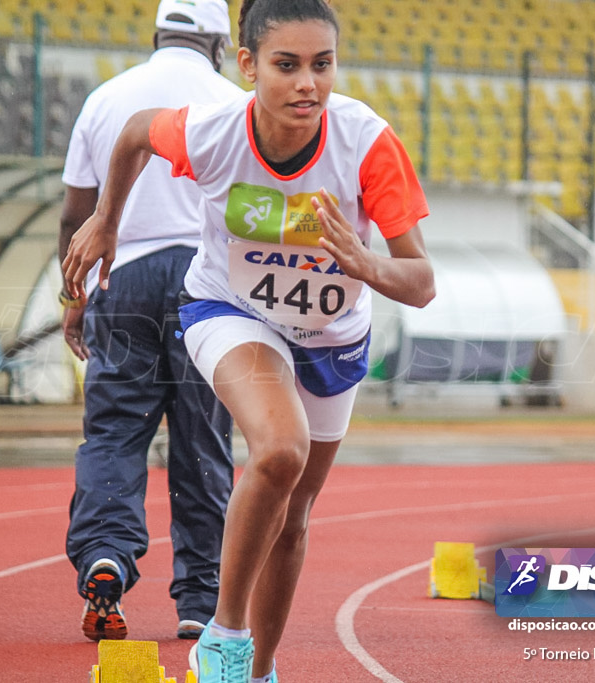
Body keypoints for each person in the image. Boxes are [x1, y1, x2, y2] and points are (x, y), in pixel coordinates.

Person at [62, 0, 435, 679]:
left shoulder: (366, 142)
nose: (307, 85)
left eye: (322, 66)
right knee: (280, 448)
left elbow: (420, 280)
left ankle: (259, 667)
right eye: (286, 66)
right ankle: (222, 638)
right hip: (230, 309)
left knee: (293, 514)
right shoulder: (213, 130)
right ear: (246, 65)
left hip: (331, 337)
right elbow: (135, 134)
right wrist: (107, 221)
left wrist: (363, 261)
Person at [58, 0, 243, 643]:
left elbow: (75, 215)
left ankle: (105, 554)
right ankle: (201, 598)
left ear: (158, 33)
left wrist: (73, 298)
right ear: (222, 45)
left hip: (122, 276)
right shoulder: (233, 102)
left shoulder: (107, 98)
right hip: (207, 285)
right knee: (203, 442)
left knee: (114, 431)